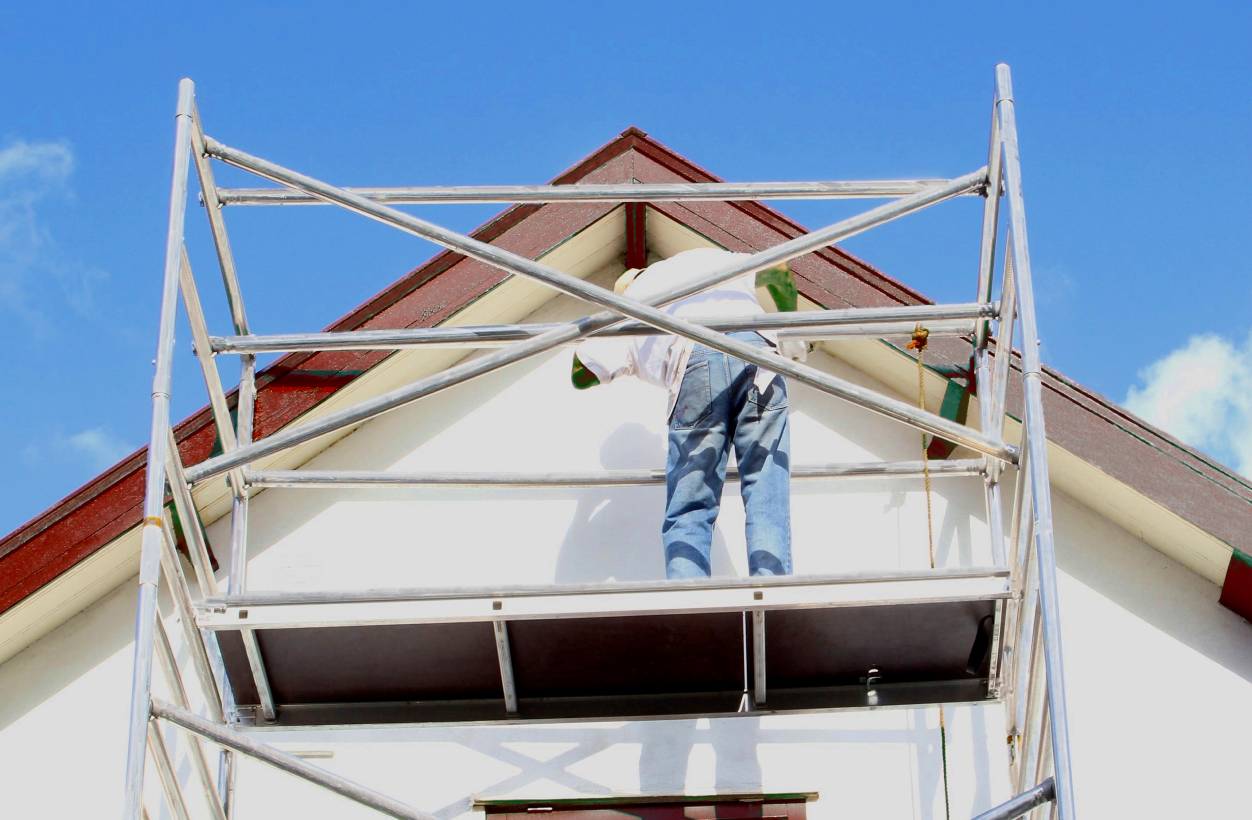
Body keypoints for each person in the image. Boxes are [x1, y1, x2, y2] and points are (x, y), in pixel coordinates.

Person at [570, 247, 803, 580]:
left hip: (694, 362)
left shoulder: (630, 302)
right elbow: (779, 270)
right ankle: (774, 584)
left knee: (691, 502)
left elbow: (581, 374)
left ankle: (689, 593)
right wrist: (792, 340)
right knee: (766, 483)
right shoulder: (711, 260)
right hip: (759, 353)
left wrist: (605, 319)